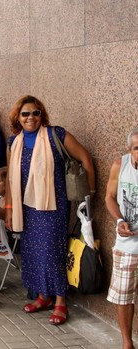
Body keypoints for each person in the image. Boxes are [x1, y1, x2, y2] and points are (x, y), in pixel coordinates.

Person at [5, 95, 95, 326]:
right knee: (33, 251)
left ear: (42, 114)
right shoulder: (13, 142)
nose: (31, 117)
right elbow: (10, 179)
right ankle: (43, 296)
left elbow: (85, 157)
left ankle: (60, 301)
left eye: (36, 113)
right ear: (18, 117)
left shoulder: (57, 134)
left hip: (52, 205)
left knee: (53, 251)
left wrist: (90, 193)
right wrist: (8, 206)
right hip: (25, 207)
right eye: (25, 114)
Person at [105, 128, 138, 349]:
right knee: (123, 295)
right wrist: (118, 221)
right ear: (130, 150)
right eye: (137, 148)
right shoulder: (121, 164)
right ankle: (127, 343)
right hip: (127, 243)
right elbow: (109, 197)